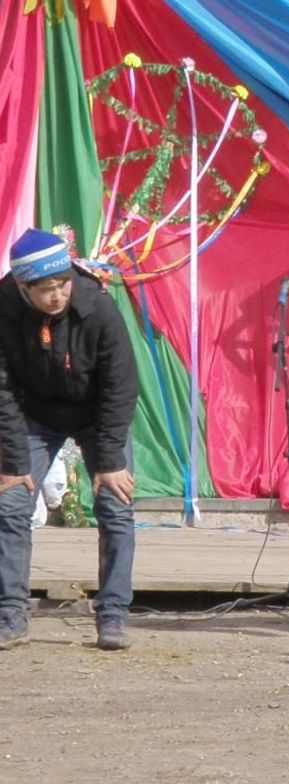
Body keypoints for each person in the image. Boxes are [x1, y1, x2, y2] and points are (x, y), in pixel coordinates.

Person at [0, 228, 140, 651]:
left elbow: (121, 385)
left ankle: (113, 614)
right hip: (34, 416)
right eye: (46, 289)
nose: (58, 295)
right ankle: (11, 613)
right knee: (10, 504)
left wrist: (110, 459)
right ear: (24, 287)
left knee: (116, 505)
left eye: (63, 284)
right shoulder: (3, 310)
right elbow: (1, 389)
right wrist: (13, 464)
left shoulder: (97, 307)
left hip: (96, 415)